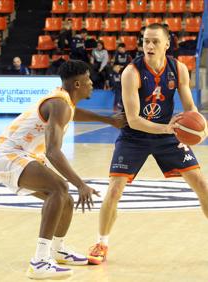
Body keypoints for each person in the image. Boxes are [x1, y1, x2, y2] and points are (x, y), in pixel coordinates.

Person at [0, 60, 126, 279]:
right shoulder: (60, 104)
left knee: (65, 200)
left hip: (22, 155)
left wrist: (107, 120)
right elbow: (53, 152)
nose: (92, 83)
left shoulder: (64, 102)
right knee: (60, 188)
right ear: (78, 84)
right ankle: (40, 262)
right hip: (8, 154)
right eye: (88, 79)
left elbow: (74, 113)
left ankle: (58, 250)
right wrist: (81, 184)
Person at [88, 23, 208, 265]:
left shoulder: (179, 68)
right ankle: (102, 242)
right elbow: (133, 119)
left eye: (155, 41)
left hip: (168, 134)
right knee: (114, 189)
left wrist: (199, 129)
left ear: (167, 44)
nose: (149, 45)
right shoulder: (131, 72)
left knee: (202, 184)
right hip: (135, 136)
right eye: (145, 41)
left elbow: (190, 107)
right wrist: (168, 128)